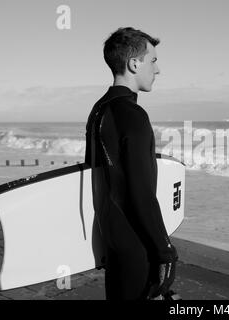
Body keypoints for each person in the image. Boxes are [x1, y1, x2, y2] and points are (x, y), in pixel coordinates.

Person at [84, 27, 178, 300]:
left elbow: (100, 177)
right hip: (136, 243)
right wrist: (165, 250)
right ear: (134, 63)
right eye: (153, 61)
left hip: (111, 237)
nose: (157, 70)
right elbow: (141, 194)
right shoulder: (133, 115)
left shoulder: (99, 110)